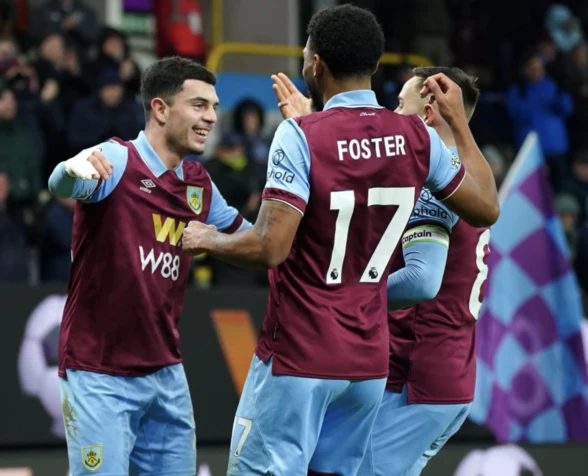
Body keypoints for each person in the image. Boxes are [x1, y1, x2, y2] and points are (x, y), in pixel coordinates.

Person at [182, 5, 499, 475]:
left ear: (315, 64)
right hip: (369, 366)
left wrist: (211, 237)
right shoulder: (417, 138)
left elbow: (270, 247)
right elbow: (487, 207)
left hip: (301, 351)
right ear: (374, 65)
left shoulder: (299, 136)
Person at [47, 56, 250, 476]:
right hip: (99, 372)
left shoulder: (199, 184)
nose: (211, 117)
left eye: (213, 107)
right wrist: (70, 169)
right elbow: (62, 183)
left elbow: (254, 238)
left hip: (165, 374)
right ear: (160, 109)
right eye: (198, 105)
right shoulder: (116, 160)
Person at [357, 67, 489, 476]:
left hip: (420, 379)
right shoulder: (471, 181)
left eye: (401, 104)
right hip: (447, 377)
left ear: (429, 112)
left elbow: (421, 279)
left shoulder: (438, 182)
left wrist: (350, 298)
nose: (394, 113)